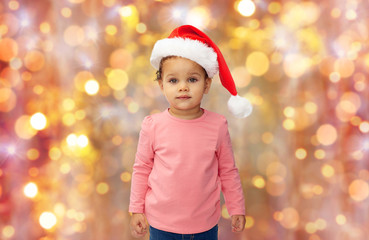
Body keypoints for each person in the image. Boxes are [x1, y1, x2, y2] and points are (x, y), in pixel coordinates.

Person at [129, 25, 252, 240]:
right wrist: (136, 208)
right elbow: (142, 169)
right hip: (161, 225)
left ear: (206, 84)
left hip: (204, 225)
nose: (183, 87)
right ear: (161, 85)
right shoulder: (152, 125)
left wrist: (237, 208)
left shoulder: (218, 125)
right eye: (173, 80)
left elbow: (228, 171)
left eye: (192, 80)